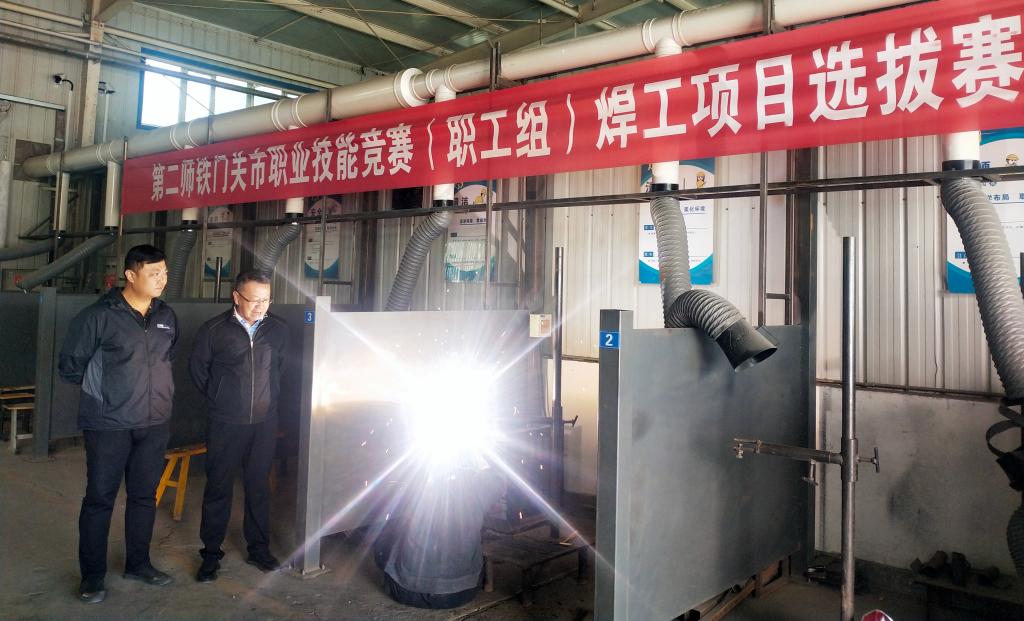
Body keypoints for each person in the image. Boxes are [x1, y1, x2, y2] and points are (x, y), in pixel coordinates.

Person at [59, 244, 177, 604]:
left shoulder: (166, 315)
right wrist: (108, 395)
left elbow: (165, 359)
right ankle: (92, 577)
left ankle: (138, 564)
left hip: (154, 422)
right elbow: (70, 366)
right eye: (153, 273)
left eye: (164, 272)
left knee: (144, 497)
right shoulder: (98, 316)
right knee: (100, 498)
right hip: (109, 423)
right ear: (130, 275)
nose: (162, 279)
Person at [189, 270, 289, 582]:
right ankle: (210, 554)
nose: (261, 306)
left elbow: (281, 370)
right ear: (236, 297)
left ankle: (258, 549)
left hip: (264, 423)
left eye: (266, 300)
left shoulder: (278, 329)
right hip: (225, 422)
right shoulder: (214, 330)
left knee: (258, 487)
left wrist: (269, 401)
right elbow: (198, 371)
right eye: (254, 299)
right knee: (218, 486)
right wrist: (222, 399)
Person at [374, 463, 505, 609]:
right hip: (463, 592)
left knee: (385, 538)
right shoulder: (479, 484)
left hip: (407, 592)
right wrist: (479, 463)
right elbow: (500, 478)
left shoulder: (414, 478)